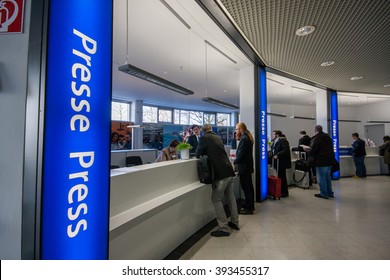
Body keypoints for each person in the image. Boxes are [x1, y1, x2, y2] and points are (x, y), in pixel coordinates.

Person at [196, 124, 239, 237]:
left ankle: (224, 228)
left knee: (216, 199)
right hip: (229, 171)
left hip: (220, 175)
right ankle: (235, 222)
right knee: (230, 197)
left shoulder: (204, 138)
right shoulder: (218, 137)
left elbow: (197, 154)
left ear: (203, 132)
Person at [304, 125, 335, 199]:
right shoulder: (328, 137)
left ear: (315, 131)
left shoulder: (316, 138)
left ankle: (324, 193)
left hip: (321, 161)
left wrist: (306, 149)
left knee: (321, 178)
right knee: (328, 177)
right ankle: (330, 193)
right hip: (330, 160)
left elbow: (313, 150)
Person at [234, 122, 255, 215]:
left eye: (236, 129)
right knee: (249, 186)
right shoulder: (247, 137)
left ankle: (249, 208)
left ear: (241, 129)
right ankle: (250, 205)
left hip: (244, 167)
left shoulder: (244, 139)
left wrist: (233, 162)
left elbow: (241, 155)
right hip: (248, 166)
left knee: (246, 187)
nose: (236, 131)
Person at [270, 130, 291, 197]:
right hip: (276, 162)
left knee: (282, 177)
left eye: (273, 134)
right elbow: (273, 150)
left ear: (277, 135)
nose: (272, 135)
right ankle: (279, 190)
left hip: (281, 162)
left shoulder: (283, 141)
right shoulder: (274, 142)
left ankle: (284, 192)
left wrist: (278, 155)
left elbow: (286, 150)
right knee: (278, 176)